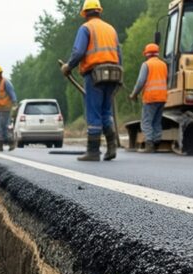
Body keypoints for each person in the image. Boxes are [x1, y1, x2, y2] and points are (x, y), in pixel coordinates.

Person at [62, 0, 122, 161]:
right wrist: (120, 75)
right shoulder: (111, 29)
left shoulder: (86, 28)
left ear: (85, 14)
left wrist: (68, 66)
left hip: (95, 74)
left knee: (94, 111)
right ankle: (111, 148)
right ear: (99, 12)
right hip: (114, 73)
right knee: (106, 112)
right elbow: (119, 53)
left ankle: (93, 151)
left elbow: (79, 51)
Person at [128, 43, 168, 153]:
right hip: (162, 97)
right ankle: (157, 143)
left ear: (146, 54)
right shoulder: (163, 64)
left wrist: (134, 94)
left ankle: (149, 144)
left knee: (146, 122)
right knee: (156, 121)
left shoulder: (146, 65)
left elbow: (140, 82)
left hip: (151, 98)